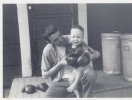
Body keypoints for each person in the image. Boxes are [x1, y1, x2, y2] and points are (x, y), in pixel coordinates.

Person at [41, 24, 100, 98]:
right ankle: (76, 93)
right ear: (49, 42)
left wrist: (87, 57)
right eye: (56, 40)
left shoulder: (74, 38)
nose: (61, 39)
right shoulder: (48, 50)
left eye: (60, 35)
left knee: (91, 74)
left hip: (81, 76)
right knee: (48, 97)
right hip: (63, 80)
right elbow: (44, 75)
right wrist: (60, 64)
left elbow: (95, 53)